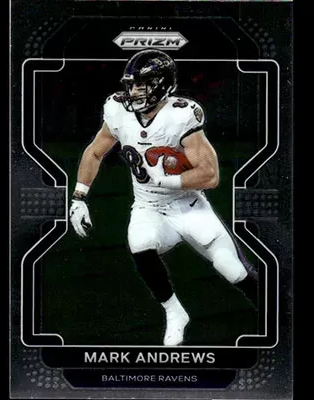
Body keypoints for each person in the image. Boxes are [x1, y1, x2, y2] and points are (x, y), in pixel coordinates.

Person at [69, 49, 258, 346]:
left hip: (188, 205)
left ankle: (279, 312)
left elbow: (210, 175)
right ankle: (175, 312)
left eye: (142, 84)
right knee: (139, 243)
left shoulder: (181, 115)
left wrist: (166, 180)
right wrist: (79, 197)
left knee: (231, 270)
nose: (134, 91)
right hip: (149, 206)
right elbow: (94, 151)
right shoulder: (117, 110)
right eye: (131, 84)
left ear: (162, 84)